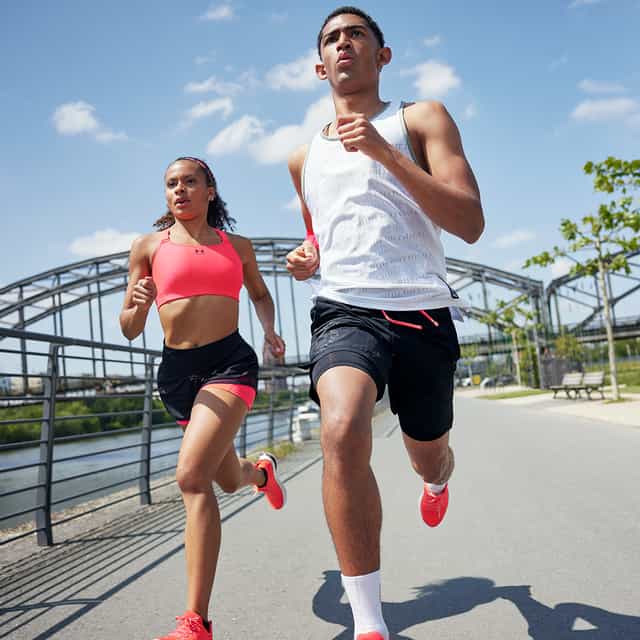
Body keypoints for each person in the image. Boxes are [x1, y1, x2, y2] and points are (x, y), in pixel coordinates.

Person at [286, 7, 484, 640]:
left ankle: (438, 477)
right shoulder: (302, 158)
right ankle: (370, 623)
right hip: (345, 309)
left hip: (422, 309)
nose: (344, 43)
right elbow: (320, 233)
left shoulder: (421, 119)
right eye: (332, 39)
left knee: (428, 455)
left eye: (357, 34)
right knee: (341, 427)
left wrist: (384, 152)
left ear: (382, 54)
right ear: (321, 67)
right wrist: (308, 256)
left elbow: (470, 223)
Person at [120, 156, 287, 640]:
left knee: (192, 477)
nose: (180, 189)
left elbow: (259, 294)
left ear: (209, 190)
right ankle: (262, 473)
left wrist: (269, 330)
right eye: (171, 183)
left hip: (229, 365)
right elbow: (129, 329)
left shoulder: (237, 246)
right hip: (177, 375)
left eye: (190, 181)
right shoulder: (147, 247)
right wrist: (139, 306)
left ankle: (196, 622)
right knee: (228, 479)